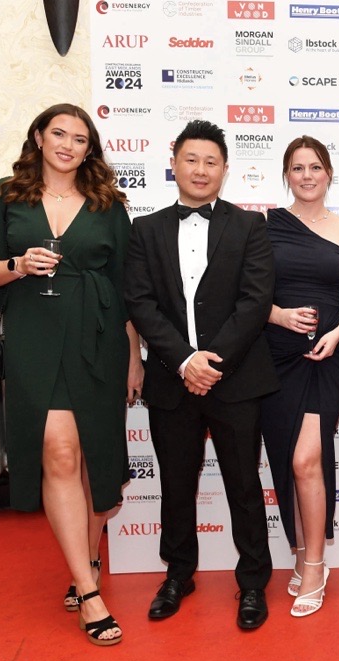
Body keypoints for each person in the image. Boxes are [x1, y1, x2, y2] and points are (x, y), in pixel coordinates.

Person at [0, 103, 141, 646]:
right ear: (38, 137)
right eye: (58, 133)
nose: (67, 144)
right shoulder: (7, 195)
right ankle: (88, 592)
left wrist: (134, 356)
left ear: (90, 149)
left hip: (99, 339)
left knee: (98, 464)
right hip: (35, 337)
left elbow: (127, 288)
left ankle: (86, 555)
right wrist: (16, 265)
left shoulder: (109, 204)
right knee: (60, 452)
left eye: (79, 138)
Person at [124, 119, 278, 630]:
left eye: (211, 162)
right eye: (191, 159)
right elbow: (140, 302)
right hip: (172, 380)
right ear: (174, 165)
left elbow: (255, 301)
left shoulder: (250, 226)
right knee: (175, 484)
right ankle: (178, 574)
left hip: (236, 380)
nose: (201, 169)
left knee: (244, 484)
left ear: (225, 170)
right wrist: (184, 360)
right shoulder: (145, 230)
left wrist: (211, 362)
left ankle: (252, 581)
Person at [260, 136, 339, 617]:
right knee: (286, 459)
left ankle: (316, 565)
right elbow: (249, 294)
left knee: (306, 460)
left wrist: (337, 334)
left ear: (329, 173)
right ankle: (301, 554)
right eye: (297, 168)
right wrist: (279, 315)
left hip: (326, 355)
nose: (307, 176)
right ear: (286, 175)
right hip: (276, 352)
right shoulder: (266, 227)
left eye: (315, 167)